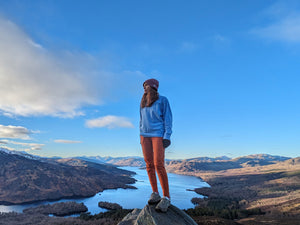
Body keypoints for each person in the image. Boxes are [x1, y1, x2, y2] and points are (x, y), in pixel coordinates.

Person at [140, 78, 172, 212]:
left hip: (158, 135)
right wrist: (140, 134)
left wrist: (167, 136)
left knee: (158, 164)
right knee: (149, 165)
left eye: (146, 86)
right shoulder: (142, 102)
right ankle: (155, 193)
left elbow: (168, 118)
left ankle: (166, 197)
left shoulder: (163, 100)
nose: (144, 89)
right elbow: (141, 119)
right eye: (143, 87)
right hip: (144, 136)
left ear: (153, 87)